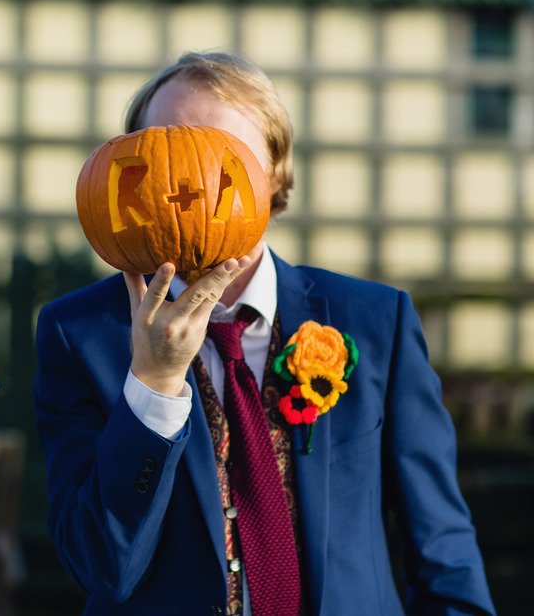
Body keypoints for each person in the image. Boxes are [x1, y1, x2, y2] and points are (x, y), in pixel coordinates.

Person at [34, 52, 494, 615]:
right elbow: (100, 566)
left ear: (275, 173)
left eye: (220, 155)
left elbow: (441, 544)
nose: (190, 183)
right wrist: (152, 384)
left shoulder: (375, 322)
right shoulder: (81, 335)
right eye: (166, 152)